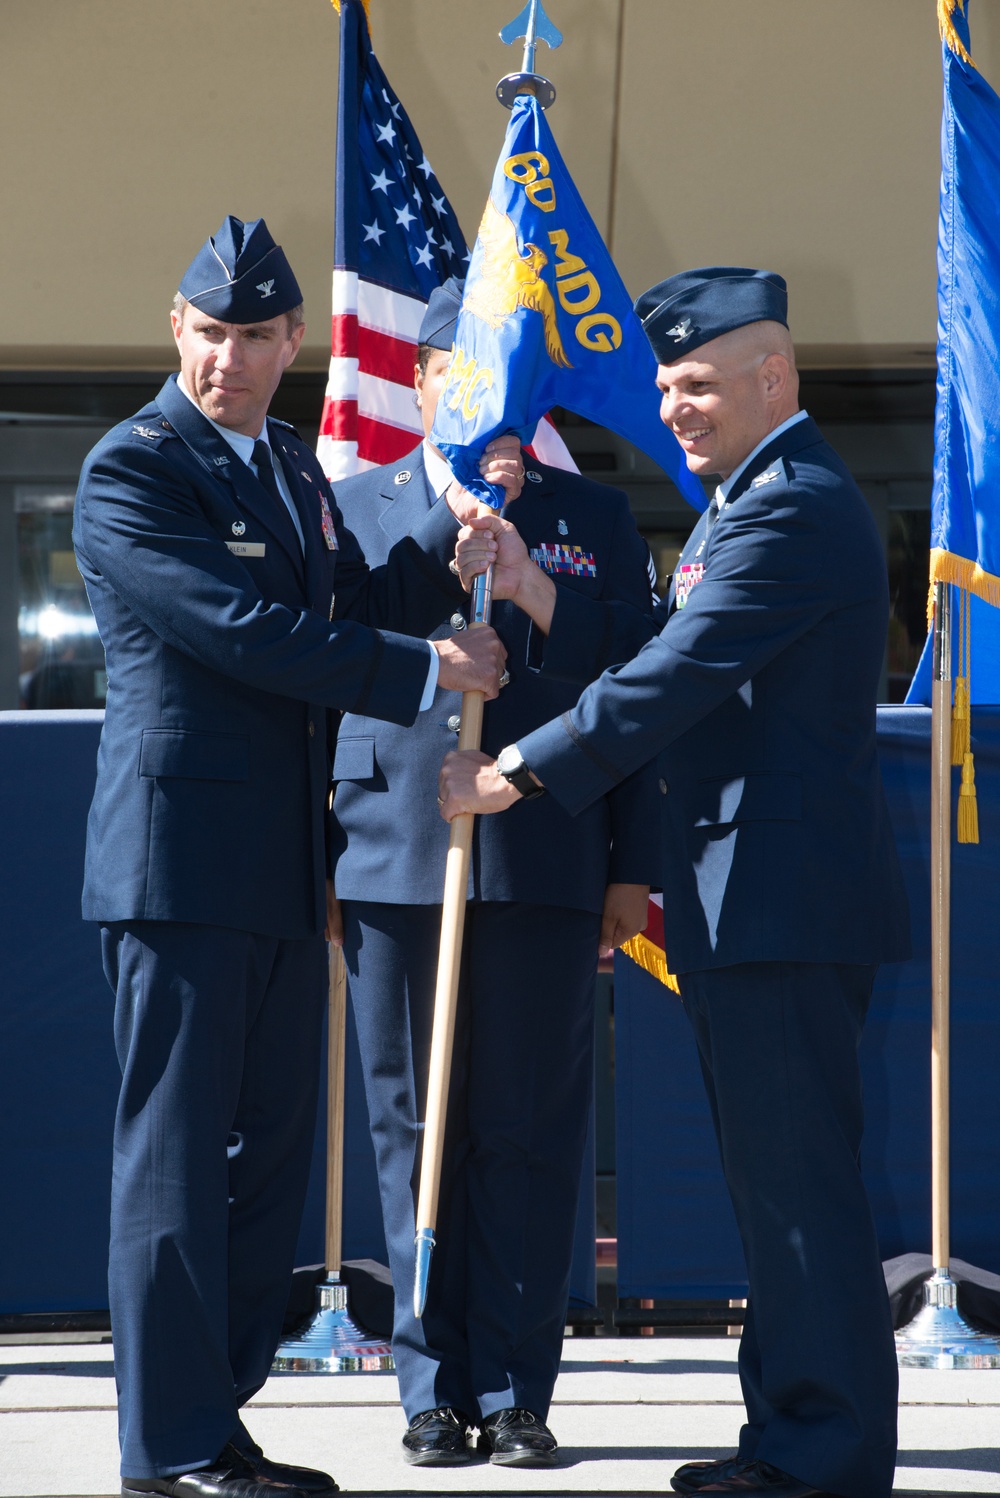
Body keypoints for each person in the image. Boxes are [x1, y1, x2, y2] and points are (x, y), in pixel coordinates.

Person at [440, 266, 912, 1498]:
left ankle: (825, 1451)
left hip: (778, 899)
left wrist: (519, 773)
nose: (673, 403)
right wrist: (542, 596)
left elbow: (675, 675)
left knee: (798, 1185)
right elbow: (665, 650)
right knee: (775, 1185)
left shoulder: (790, 506)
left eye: (696, 381)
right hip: (746, 895)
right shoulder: (745, 498)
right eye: (662, 381)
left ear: (775, 378)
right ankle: (790, 1435)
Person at [73, 217, 512, 1498]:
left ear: (291, 343)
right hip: (174, 866)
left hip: (278, 865)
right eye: (209, 333)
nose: (229, 359)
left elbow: (338, 607)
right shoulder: (133, 468)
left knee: (266, 1160)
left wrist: (442, 550)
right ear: (177, 329)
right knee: (173, 1158)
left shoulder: (288, 468)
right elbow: (239, 630)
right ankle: (167, 1444)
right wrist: (421, 665)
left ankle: (217, 1414)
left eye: (256, 336)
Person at [327, 277, 656, 1468]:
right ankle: (428, 1383)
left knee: (526, 1130)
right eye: (462, 377)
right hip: (392, 856)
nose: (492, 408)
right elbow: (327, 657)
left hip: (547, 854)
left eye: (514, 384)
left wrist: (533, 589)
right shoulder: (353, 503)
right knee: (410, 1127)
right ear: (417, 382)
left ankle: (517, 1383)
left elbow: (641, 683)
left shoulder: (594, 517)